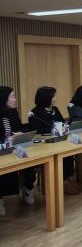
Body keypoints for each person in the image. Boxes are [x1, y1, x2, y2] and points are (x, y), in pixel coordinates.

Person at [28, 86, 79, 195]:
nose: (55, 98)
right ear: (46, 98)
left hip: (58, 140)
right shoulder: (34, 113)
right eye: (53, 96)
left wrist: (65, 125)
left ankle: (68, 178)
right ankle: (64, 183)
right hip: (44, 145)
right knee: (59, 155)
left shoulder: (55, 109)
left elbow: (61, 122)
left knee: (68, 152)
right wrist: (54, 129)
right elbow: (36, 130)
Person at [0, 86, 36, 215]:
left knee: (29, 161)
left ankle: (28, 187)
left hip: (14, 149)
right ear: (3, 99)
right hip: (2, 152)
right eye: (13, 96)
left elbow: (19, 128)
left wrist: (20, 133)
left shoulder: (13, 112)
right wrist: (8, 139)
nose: (15, 99)